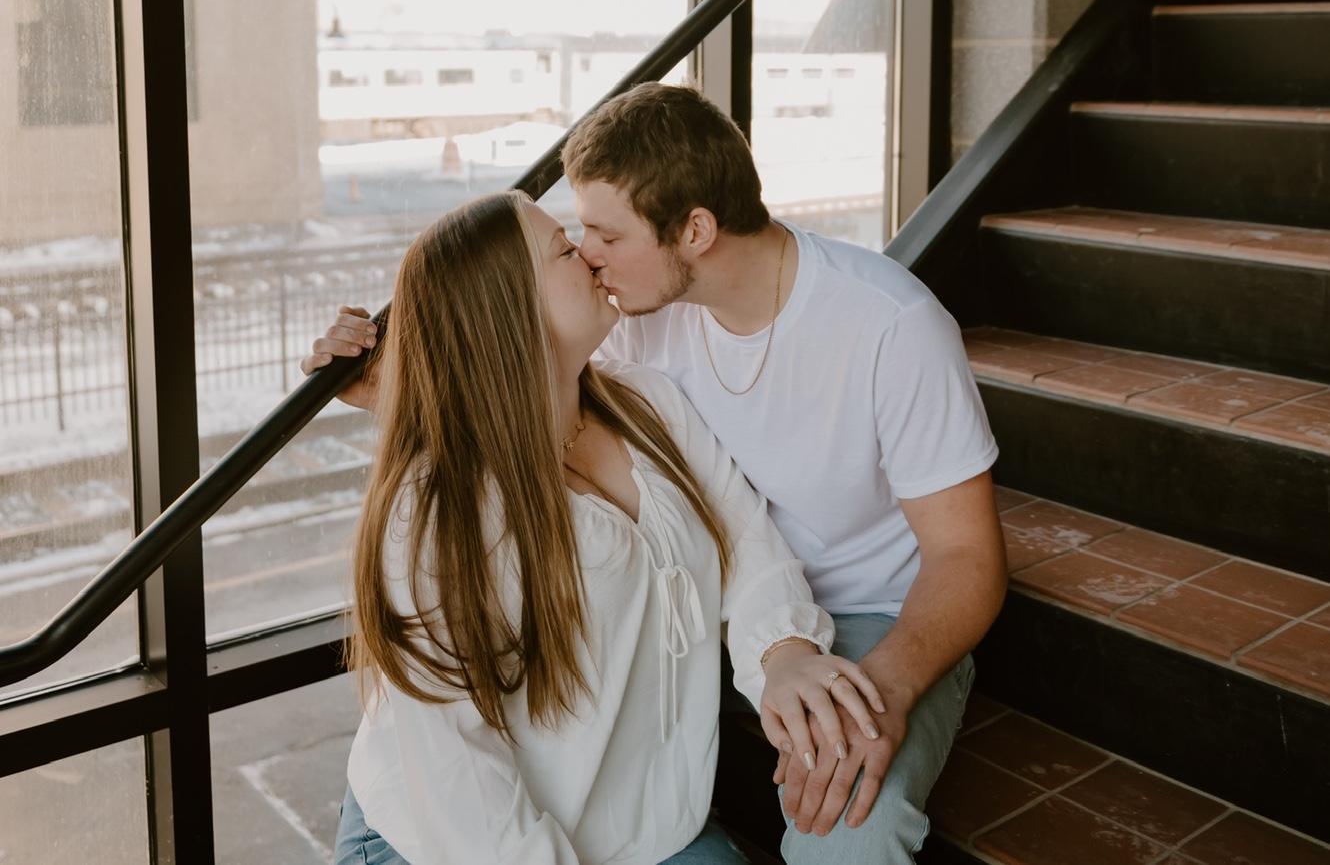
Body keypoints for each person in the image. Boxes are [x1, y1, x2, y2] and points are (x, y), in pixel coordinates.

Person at [309, 84, 1006, 864]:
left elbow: (935, 556)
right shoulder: (627, 335)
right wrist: (393, 377)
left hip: (803, 654)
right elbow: (494, 366)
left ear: (696, 231)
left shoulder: (873, 330)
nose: (589, 254)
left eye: (601, 234)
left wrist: (809, 663)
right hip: (488, 831)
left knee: (845, 830)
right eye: (571, 242)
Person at [326, 189, 886, 865]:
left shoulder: (648, 402)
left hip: (648, 832)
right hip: (457, 845)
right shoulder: (435, 512)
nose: (592, 256)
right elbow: (456, 781)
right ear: (508, 308)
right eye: (564, 249)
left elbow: (746, 545)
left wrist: (785, 653)